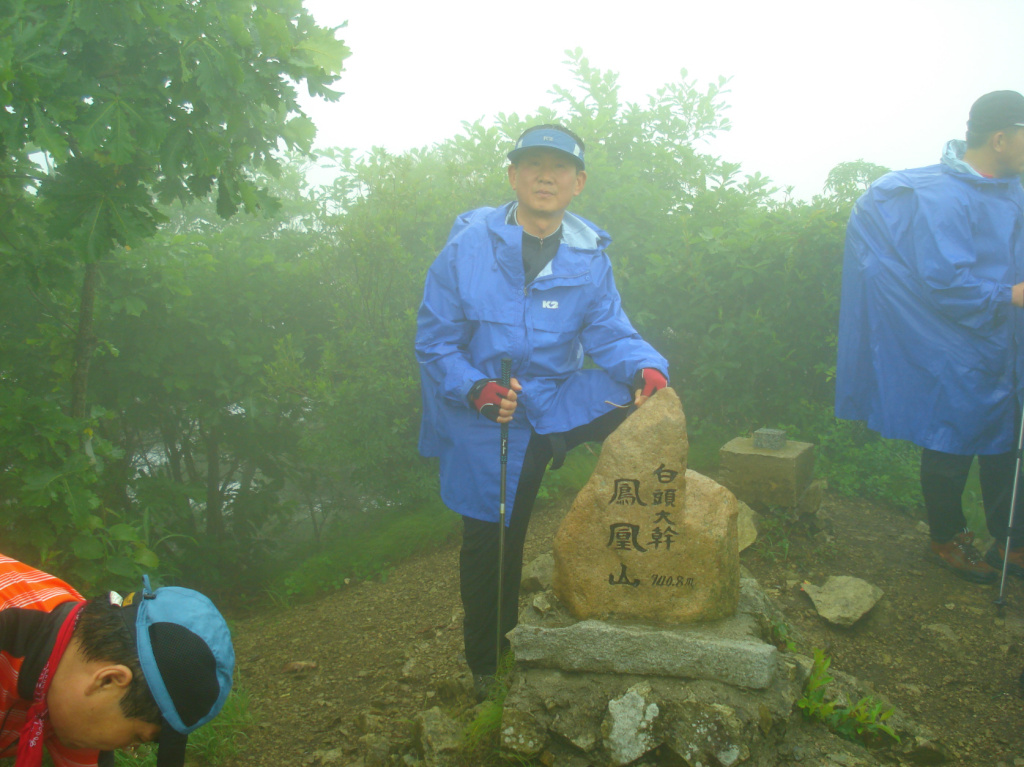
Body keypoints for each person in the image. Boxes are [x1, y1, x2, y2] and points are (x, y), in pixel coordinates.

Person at [415, 124, 669, 698]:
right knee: (493, 543)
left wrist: (646, 368)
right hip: (489, 415)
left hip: (550, 399)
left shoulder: (588, 257)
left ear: (578, 183)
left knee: (649, 401)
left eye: (559, 167)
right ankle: (487, 668)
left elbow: (608, 330)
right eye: (533, 165)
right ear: (513, 177)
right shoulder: (466, 249)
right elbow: (434, 343)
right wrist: (477, 389)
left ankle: (636, 568)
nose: (545, 176)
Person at [835, 90, 1024, 584]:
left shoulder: (1015, 187)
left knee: (1010, 438)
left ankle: (1011, 542)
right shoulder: (942, 195)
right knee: (954, 433)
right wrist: (1013, 295)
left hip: (1009, 338)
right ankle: (947, 537)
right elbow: (945, 282)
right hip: (957, 338)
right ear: (1000, 139)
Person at [0, 553, 234, 767]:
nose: (125, 748)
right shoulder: (7, 620)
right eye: (135, 739)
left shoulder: (73, 655)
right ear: (109, 680)